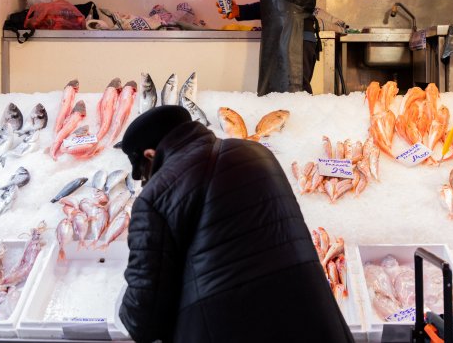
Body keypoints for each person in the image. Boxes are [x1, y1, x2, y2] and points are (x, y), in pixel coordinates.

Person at [118, 105, 354, 343]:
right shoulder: (257, 153)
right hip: (318, 326)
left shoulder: (156, 196)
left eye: (145, 175)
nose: (148, 183)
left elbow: (143, 321)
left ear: (150, 155)